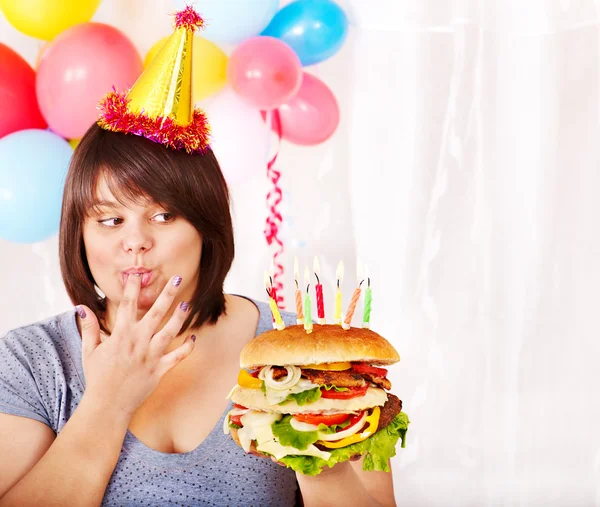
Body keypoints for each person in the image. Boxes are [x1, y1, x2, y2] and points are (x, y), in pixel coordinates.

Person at [0, 6, 396, 507]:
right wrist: (108, 400)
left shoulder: (303, 354)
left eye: (164, 217)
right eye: (109, 219)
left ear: (207, 227)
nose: (136, 241)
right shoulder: (32, 362)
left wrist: (316, 439)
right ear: (77, 234)